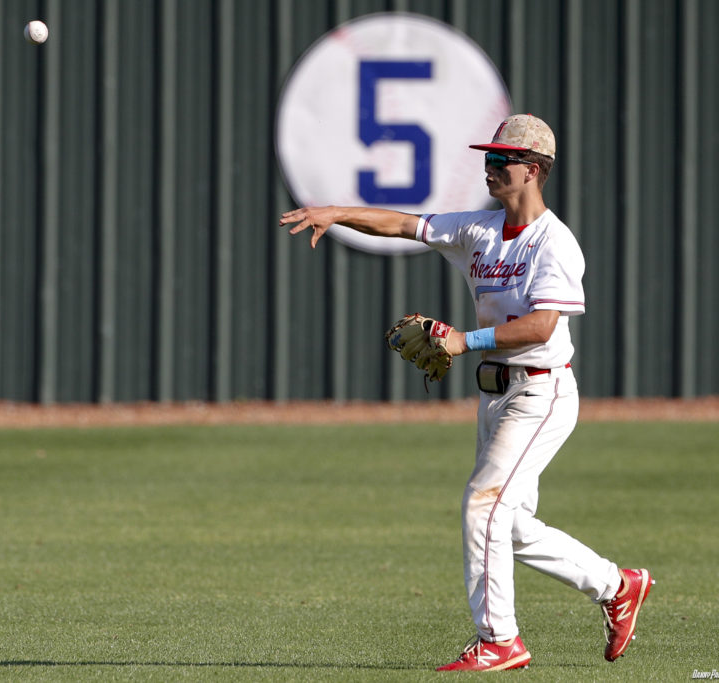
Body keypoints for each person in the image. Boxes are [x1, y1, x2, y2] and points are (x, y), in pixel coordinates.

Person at [279, 114, 653, 671]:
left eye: (501, 160)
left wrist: (462, 338)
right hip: (496, 394)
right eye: (487, 157)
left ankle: (501, 639)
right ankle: (616, 584)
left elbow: (542, 326)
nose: (490, 167)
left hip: (539, 393)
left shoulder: (555, 244)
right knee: (512, 522)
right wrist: (338, 213)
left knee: (482, 507)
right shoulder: (479, 229)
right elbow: (405, 225)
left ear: (532, 170)